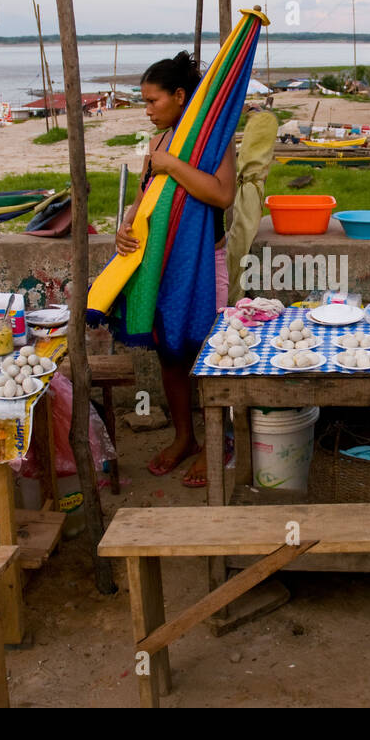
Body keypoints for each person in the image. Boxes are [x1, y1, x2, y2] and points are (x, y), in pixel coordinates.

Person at [116, 51, 236, 486]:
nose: (147, 111)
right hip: (160, 264)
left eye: (152, 101)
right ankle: (184, 437)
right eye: (144, 102)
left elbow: (222, 196)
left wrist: (172, 165)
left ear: (180, 96)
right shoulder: (157, 145)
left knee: (205, 353)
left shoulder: (213, 140)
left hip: (204, 263)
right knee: (171, 353)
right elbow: (145, 199)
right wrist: (125, 227)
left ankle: (214, 441)